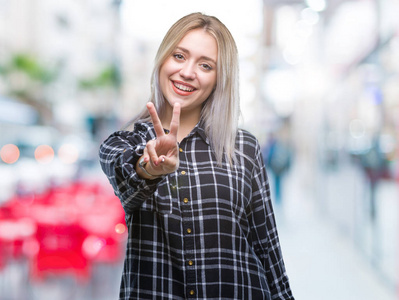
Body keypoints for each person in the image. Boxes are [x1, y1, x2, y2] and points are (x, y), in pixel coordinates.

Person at [99, 12, 294, 300]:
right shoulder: (124, 144)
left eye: (205, 65)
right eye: (179, 56)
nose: (188, 72)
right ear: (163, 59)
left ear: (218, 79)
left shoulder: (244, 147)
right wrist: (150, 168)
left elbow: (267, 247)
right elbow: (127, 179)